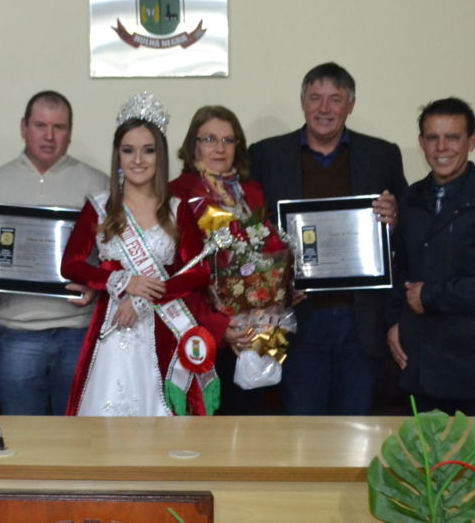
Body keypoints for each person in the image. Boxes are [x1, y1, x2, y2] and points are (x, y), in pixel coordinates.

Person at [248, 62, 406, 416]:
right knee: (301, 428)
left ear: (351, 105)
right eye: (315, 98)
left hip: (360, 319)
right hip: (296, 317)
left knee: (356, 428)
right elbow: (251, 232)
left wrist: (395, 219)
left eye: (335, 99)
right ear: (302, 102)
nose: (324, 109)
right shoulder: (265, 155)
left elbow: (406, 227)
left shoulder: (382, 154)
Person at [62, 93, 219, 417]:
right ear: (117, 156)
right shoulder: (100, 206)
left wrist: (145, 296)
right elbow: (71, 264)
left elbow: (199, 272)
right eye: (128, 150)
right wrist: (122, 281)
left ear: (160, 156)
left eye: (148, 150)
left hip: (162, 328)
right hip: (113, 325)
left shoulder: (176, 209)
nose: (138, 160)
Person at [387, 97, 475, 416]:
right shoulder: (409, 202)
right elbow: (399, 269)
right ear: (422, 143)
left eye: (452, 137)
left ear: (471, 142)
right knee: (422, 465)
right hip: (420, 370)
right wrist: (394, 321)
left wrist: (433, 296)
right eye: (432, 138)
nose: (441, 147)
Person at [0, 91, 108, 416]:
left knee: (76, 438)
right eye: (40, 125)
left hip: (77, 329)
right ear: (24, 127)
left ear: (70, 131)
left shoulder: (98, 185)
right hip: (16, 331)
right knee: (22, 439)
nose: (49, 136)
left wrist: (96, 286)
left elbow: (114, 257)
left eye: (59, 127)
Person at [169, 105, 279, 415]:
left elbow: (271, 254)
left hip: (259, 329)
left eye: (229, 141)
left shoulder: (253, 191)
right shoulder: (176, 194)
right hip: (206, 332)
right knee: (211, 429)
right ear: (193, 146)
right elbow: (177, 275)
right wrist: (219, 325)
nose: (220, 148)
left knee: (261, 420)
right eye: (209, 139)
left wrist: (279, 294)